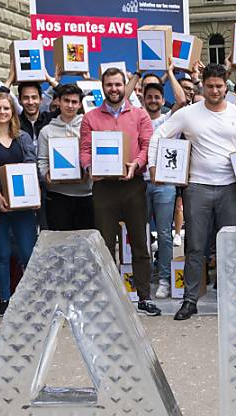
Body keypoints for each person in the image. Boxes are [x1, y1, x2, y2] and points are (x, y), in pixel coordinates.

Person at [148, 63, 236, 321]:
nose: (215, 90)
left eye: (219, 86)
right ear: (203, 85)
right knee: (195, 246)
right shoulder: (188, 114)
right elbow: (159, 135)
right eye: (210, 86)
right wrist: (154, 165)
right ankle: (190, 300)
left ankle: (233, 300)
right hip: (197, 187)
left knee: (231, 246)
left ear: (225, 85)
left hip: (232, 187)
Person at [79, 67, 161, 317]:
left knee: (139, 242)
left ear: (125, 86)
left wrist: (137, 163)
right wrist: (90, 166)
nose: (113, 89)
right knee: (105, 245)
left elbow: (147, 146)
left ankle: (144, 297)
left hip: (132, 184)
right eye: (109, 85)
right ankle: (108, 298)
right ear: (102, 87)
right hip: (104, 187)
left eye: (117, 84)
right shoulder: (91, 117)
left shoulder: (140, 116)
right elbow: (84, 150)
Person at [0, 92, 38, 316]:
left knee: (27, 253)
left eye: (6, 108)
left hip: (23, 205)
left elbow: (31, 165)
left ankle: (31, 298)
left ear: (12, 111)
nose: (2, 113)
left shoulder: (22, 137)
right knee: (3, 254)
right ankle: (5, 300)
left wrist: (31, 195)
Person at [141, 67, 188, 300]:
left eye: (157, 97)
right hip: (139, 183)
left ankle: (164, 279)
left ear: (162, 99)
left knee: (165, 234)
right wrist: (138, 73)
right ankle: (143, 276)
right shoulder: (137, 117)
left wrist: (168, 72)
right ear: (142, 98)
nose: (152, 100)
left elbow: (182, 99)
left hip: (165, 184)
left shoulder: (170, 118)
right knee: (140, 233)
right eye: (148, 96)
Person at [37, 83, 92, 231]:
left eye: (74, 102)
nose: (70, 105)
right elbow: (42, 161)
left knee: (84, 244)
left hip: (86, 194)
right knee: (61, 243)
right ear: (58, 102)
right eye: (66, 100)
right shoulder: (46, 131)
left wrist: (89, 172)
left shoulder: (89, 127)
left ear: (80, 104)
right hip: (57, 196)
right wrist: (46, 175)